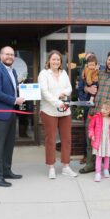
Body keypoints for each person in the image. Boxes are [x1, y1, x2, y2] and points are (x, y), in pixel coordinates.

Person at [0, 46, 25, 187]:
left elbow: (13, 90)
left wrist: (23, 93)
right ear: (1, 55)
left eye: (12, 54)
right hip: (0, 114)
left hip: (11, 113)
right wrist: (14, 100)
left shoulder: (13, 71)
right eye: (7, 54)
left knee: (9, 145)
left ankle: (6, 170)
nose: (10, 56)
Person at [38, 50, 78, 179]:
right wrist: (57, 102)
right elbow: (44, 92)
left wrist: (64, 93)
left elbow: (69, 87)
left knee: (66, 139)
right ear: (49, 61)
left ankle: (66, 166)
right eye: (53, 59)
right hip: (49, 111)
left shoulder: (64, 73)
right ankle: (51, 167)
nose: (56, 61)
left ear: (61, 62)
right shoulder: (43, 74)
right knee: (51, 140)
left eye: (58, 60)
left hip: (65, 111)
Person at [88, 100, 110, 182]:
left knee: (107, 156)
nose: (103, 110)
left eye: (106, 109)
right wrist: (91, 135)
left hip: (108, 142)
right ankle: (98, 173)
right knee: (99, 157)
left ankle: (106, 169)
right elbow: (91, 127)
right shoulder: (97, 117)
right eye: (102, 108)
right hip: (99, 141)